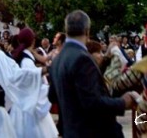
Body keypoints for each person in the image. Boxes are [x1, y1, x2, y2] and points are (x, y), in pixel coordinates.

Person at [48, 10, 137, 138]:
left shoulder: (57, 60)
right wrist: (123, 102)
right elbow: (93, 103)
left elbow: (52, 96)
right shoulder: (82, 58)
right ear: (87, 31)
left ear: (66, 30)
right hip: (91, 132)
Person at [9, 28, 58, 138]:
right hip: (28, 109)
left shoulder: (20, 57)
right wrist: (49, 88)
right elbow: (32, 88)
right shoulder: (26, 61)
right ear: (32, 41)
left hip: (20, 107)